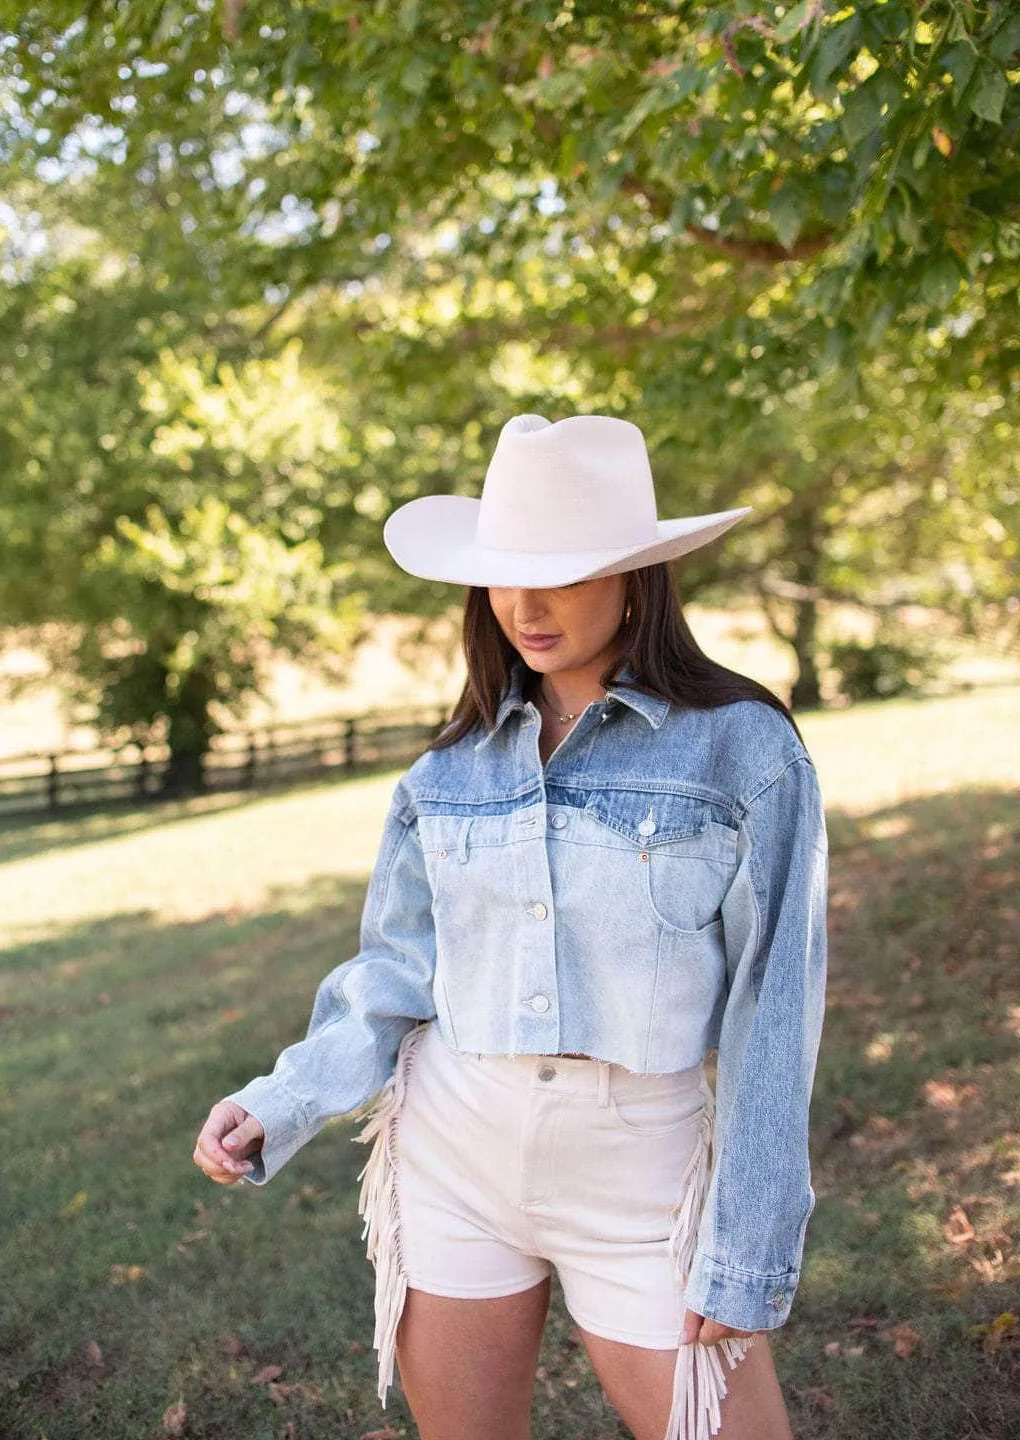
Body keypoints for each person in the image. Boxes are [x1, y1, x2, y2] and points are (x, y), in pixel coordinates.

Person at [193, 414, 829, 1440]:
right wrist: (282, 1100)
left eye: (563, 573)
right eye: (503, 573)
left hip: (640, 1175)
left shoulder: (743, 752)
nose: (524, 606)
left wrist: (749, 1241)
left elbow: (776, 1004)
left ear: (635, 576)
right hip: (456, 1155)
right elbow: (393, 976)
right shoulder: (446, 771)